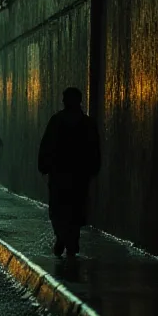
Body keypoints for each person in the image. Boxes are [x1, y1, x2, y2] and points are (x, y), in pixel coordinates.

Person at [38, 87, 100, 258]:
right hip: (80, 174)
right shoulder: (87, 123)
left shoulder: (57, 121)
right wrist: (94, 168)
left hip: (59, 173)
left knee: (58, 208)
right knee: (76, 207)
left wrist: (43, 165)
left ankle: (62, 237)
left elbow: (46, 145)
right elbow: (94, 148)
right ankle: (71, 240)